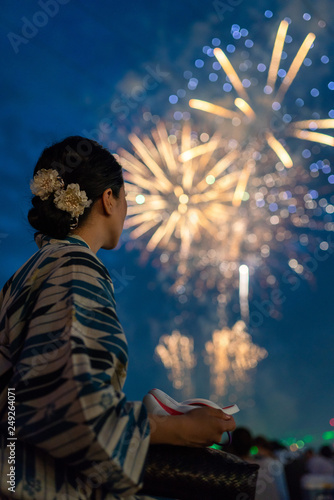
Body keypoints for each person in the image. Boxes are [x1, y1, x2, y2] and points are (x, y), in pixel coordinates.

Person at [0, 136, 236, 499]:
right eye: (125, 197)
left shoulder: (26, 274)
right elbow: (72, 408)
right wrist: (180, 430)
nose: (126, 209)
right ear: (108, 200)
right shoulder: (75, 269)